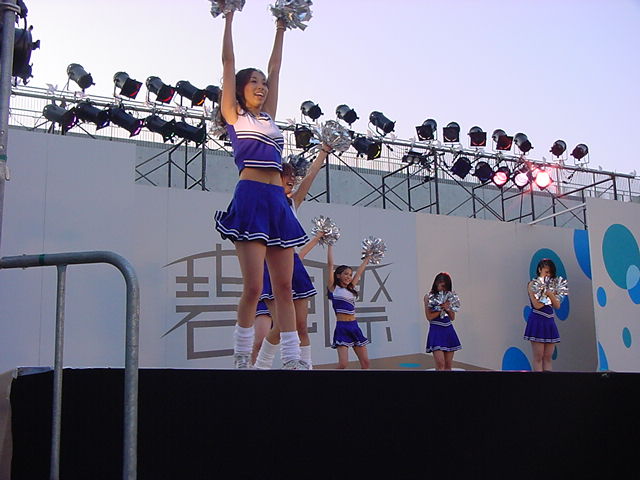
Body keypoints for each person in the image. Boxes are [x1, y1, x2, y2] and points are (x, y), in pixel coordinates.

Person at [214, 10, 307, 369]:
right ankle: (241, 355)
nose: (262, 86)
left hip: (276, 201)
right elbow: (228, 62)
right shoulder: (235, 115)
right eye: (253, 82)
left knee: (284, 288)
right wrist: (228, 18)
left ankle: (292, 359)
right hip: (251, 196)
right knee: (254, 288)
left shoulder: (269, 115)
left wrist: (281, 27)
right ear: (240, 89)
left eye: (263, 83)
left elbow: (276, 68)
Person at [254, 148, 332, 370]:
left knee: (301, 326)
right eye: (285, 176)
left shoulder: (292, 203)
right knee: (280, 325)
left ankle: (306, 366)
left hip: (294, 265)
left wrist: (323, 152)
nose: (291, 180)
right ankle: (261, 367)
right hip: (270, 265)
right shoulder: (260, 203)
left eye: (292, 177)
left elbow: (309, 178)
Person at [327, 243, 371, 369]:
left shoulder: (351, 288)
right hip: (342, 327)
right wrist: (330, 245)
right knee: (343, 364)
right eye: (346, 274)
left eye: (350, 275)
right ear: (338, 275)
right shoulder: (333, 288)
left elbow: (359, 273)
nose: (349, 277)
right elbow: (330, 265)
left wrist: (367, 258)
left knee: (366, 363)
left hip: (354, 326)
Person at [524, 259, 562, 372]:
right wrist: (549, 296)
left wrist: (550, 294)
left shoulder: (552, 286)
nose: (548, 275)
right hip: (537, 321)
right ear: (540, 270)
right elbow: (536, 305)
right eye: (546, 272)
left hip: (549, 321)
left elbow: (557, 305)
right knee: (538, 356)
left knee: (548, 357)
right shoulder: (532, 284)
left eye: (550, 273)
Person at [424, 272, 461, 371]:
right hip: (436, 330)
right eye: (442, 286)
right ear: (436, 283)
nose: (443, 289)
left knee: (448, 365)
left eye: (446, 287)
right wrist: (440, 309)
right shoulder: (428, 297)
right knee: (440, 364)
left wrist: (447, 308)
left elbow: (452, 317)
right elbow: (429, 317)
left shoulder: (449, 297)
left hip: (448, 329)